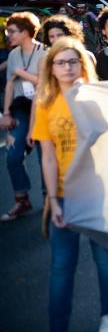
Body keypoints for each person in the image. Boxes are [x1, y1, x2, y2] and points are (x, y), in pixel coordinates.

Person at [34, 37, 108, 332]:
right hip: (64, 194)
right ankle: (58, 325)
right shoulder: (45, 103)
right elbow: (47, 157)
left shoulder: (95, 97)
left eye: (73, 61)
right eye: (61, 62)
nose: (68, 67)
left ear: (82, 65)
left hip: (97, 191)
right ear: (52, 67)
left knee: (104, 257)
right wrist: (53, 201)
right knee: (61, 266)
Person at [0, 12, 47, 221]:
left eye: (12, 31)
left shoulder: (45, 52)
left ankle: (50, 200)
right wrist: (6, 112)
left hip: (44, 109)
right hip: (21, 109)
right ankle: (22, 199)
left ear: (26, 32)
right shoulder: (13, 55)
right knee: (13, 156)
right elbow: (10, 85)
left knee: (44, 158)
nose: (8, 35)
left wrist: (23, 73)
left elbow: (44, 84)